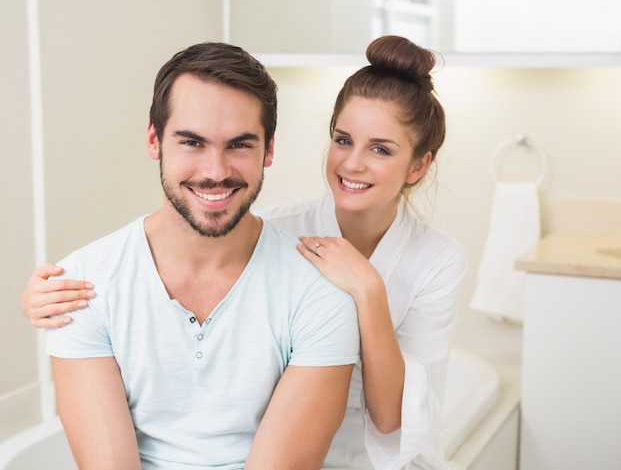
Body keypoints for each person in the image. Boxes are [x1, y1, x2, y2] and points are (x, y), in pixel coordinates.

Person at [22, 36, 467, 470]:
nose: (216, 174)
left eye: (381, 150)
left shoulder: (400, 269)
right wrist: (42, 295)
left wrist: (369, 290)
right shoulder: (260, 227)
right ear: (155, 140)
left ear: (418, 165)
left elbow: (391, 419)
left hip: (368, 454)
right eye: (343, 140)